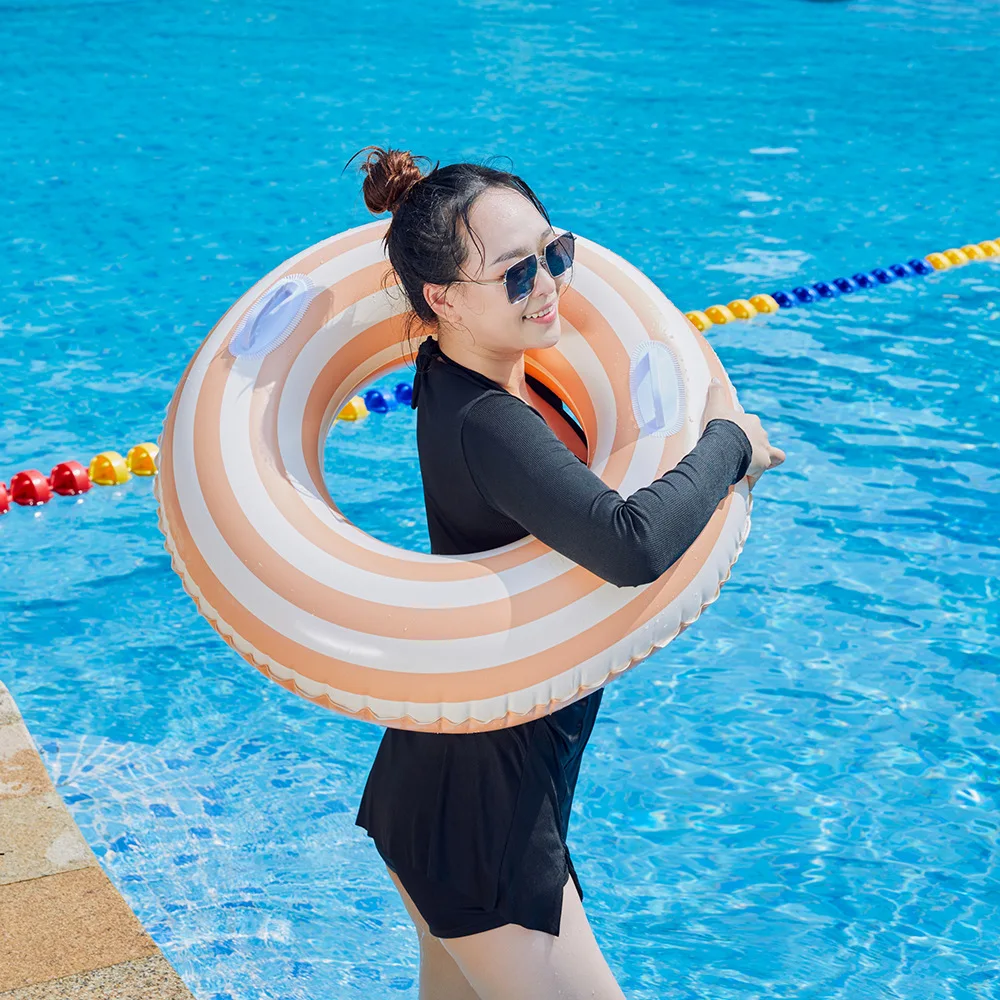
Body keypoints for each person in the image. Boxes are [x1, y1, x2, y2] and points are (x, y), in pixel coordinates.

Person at [346, 146, 785, 1000]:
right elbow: (630, 545)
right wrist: (730, 442)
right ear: (442, 300)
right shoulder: (487, 423)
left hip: (452, 778)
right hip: (483, 808)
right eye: (515, 273)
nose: (547, 286)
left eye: (554, 253)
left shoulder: (472, 376)